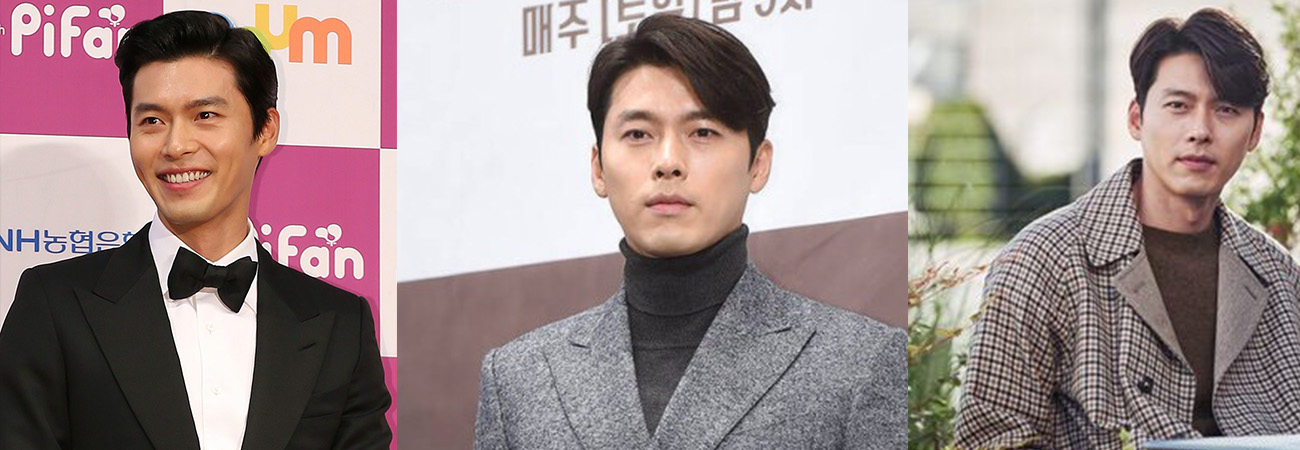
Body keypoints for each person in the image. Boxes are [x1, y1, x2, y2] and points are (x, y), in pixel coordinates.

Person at [472, 13, 904, 449]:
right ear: (598, 167)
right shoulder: (518, 379)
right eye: (638, 134)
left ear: (758, 164)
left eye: (702, 132)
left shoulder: (859, 363)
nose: (668, 162)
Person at [0, 10, 391, 450]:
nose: (176, 145)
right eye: (152, 121)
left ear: (265, 130)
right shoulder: (55, 306)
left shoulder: (340, 324)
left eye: (205, 115)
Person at [956, 8, 1300, 448]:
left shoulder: (1279, 278)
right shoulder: (1042, 262)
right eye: (1178, 106)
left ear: (1255, 132)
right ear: (1136, 118)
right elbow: (990, 439)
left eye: (1226, 109)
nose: (1200, 130)